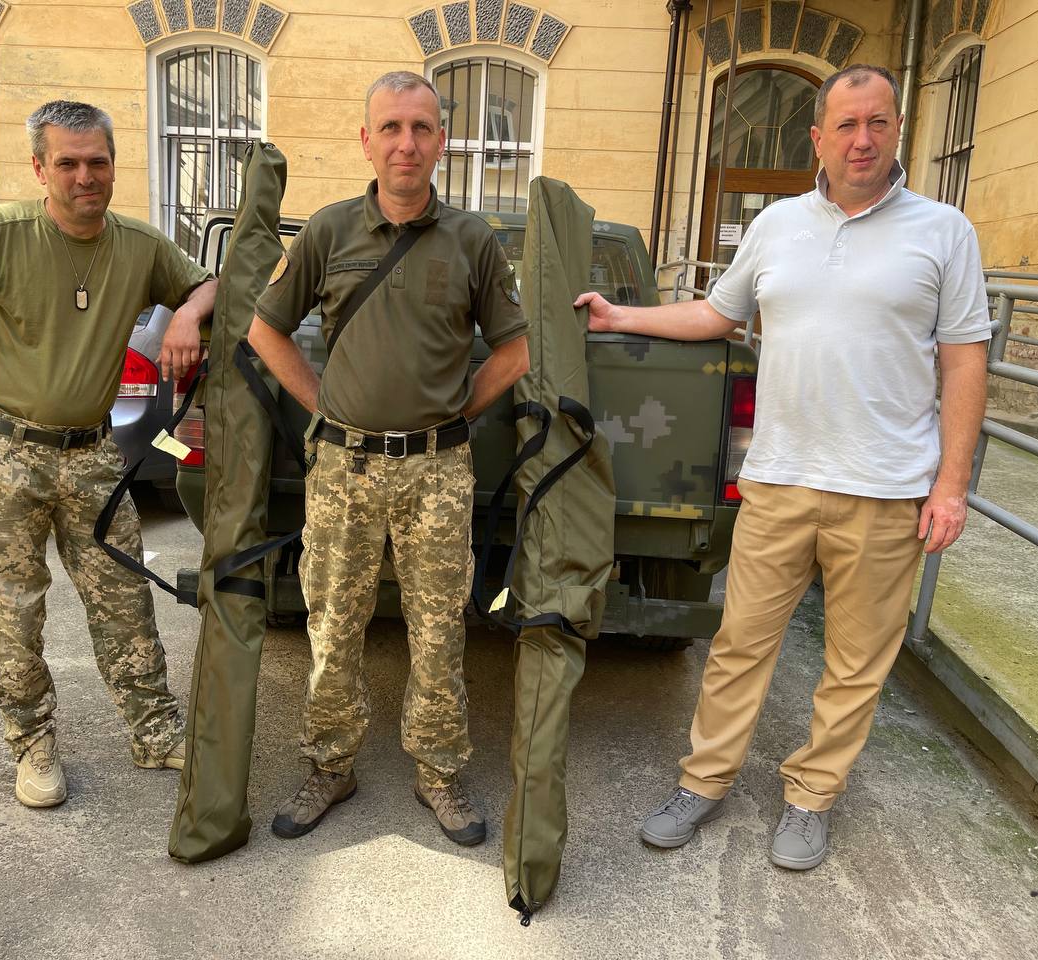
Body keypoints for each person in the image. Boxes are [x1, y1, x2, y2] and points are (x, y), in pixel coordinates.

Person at [577, 64, 989, 870]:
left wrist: (951, 485)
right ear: (818, 137)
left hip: (887, 489)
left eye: (877, 122)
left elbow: (965, 360)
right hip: (779, 479)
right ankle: (704, 780)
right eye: (846, 124)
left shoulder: (944, 232)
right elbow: (716, 313)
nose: (862, 139)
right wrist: (622, 314)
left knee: (855, 663)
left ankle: (811, 798)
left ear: (898, 130)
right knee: (740, 644)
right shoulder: (775, 225)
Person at [0, 100, 217, 809]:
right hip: (7, 454)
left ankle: (154, 730)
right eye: (68, 163)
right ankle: (33, 744)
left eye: (98, 162)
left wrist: (187, 311)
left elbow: (209, 280)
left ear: (113, 166)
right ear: (39, 167)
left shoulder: (139, 245)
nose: (86, 177)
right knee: (14, 612)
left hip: (93, 455)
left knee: (124, 601)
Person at [248, 70, 529, 846]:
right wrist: (323, 405)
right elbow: (265, 330)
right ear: (366, 140)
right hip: (346, 469)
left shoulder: (472, 240)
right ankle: (330, 765)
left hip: (438, 471)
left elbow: (514, 351)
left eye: (422, 128)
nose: (407, 143)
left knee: (438, 630)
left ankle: (438, 772)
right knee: (333, 624)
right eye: (392, 128)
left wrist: (457, 412)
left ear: (441, 141)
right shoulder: (329, 231)